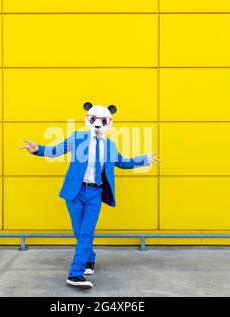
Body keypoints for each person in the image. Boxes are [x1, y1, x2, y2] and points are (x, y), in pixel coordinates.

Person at [20, 102, 160, 289]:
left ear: (109, 122)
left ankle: (75, 273)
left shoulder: (110, 145)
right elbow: (56, 151)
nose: (97, 123)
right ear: (88, 118)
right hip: (75, 192)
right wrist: (38, 149)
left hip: (95, 192)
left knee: (87, 232)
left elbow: (122, 162)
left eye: (102, 120)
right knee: (79, 231)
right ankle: (89, 257)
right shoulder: (77, 138)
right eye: (94, 119)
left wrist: (145, 160)